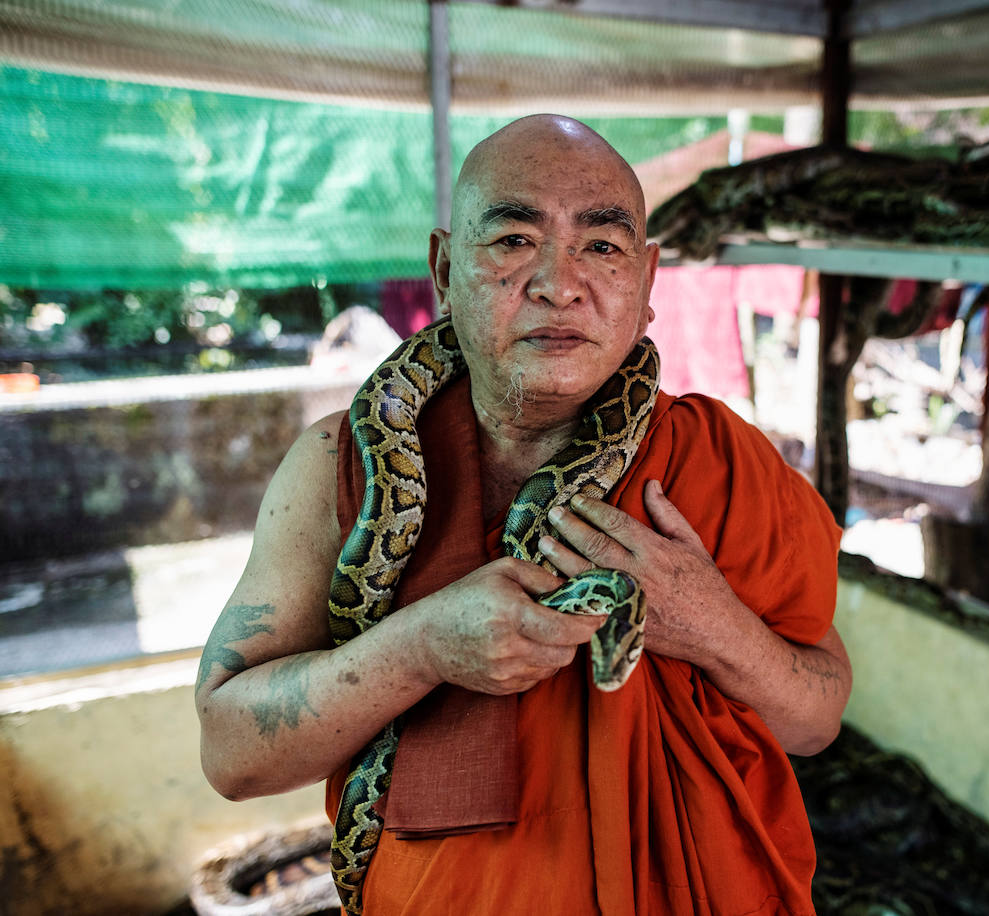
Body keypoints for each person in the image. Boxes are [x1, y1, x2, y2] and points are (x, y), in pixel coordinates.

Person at [196, 114, 850, 915]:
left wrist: (712, 624)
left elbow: (817, 719)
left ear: (646, 281)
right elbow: (232, 755)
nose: (558, 282)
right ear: (443, 267)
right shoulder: (340, 466)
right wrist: (422, 646)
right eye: (511, 240)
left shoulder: (721, 461)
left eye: (602, 246)